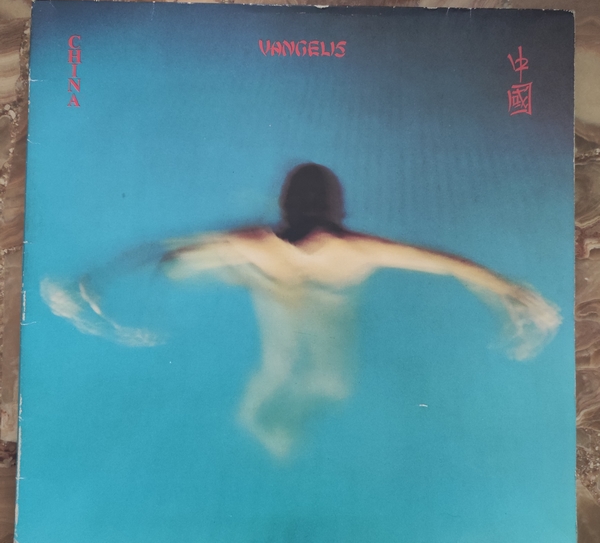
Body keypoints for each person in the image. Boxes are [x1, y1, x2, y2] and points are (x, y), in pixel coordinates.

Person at [42, 163, 560, 458]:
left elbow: (448, 264)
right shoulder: (330, 247)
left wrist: (511, 293)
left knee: (330, 383)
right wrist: (91, 283)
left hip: (304, 292)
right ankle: (253, 423)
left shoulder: (308, 245)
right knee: (289, 370)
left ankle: (256, 420)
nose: (309, 233)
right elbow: (450, 263)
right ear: (339, 212)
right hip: (286, 290)